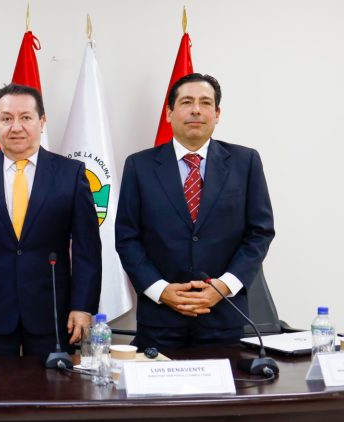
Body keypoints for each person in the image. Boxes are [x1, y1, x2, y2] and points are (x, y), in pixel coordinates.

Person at [115, 73, 275, 349]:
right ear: (169, 113)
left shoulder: (245, 162)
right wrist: (161, 290)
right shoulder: (139, 166)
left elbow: (260, 233)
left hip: (224, 315)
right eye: (187, 102)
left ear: (217, 113)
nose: (196, 110)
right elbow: (127, 238)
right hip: (160, 319)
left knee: (224, 391)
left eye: (205, 103)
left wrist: (223, 287)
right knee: (157, 392)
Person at [0, 83, 102, 358]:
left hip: (53, 312)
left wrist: (83, 306)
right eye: (6, 119)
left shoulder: (70, 173)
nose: (16, 127)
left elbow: (87, 249)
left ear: (42, 121)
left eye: (26, 117)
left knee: (53, 392)